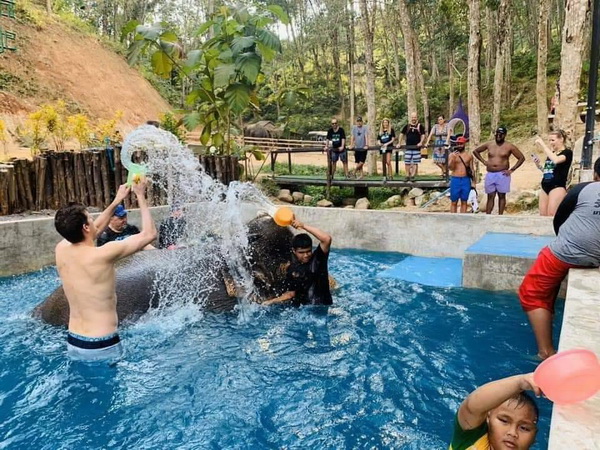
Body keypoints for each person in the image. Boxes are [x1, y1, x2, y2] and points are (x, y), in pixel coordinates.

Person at [54, 179, 157, 361]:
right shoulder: (103, 254)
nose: (95, 222)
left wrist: (117, 200)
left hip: (73, 341)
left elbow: (94, 230)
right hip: (101, 344)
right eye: (91, 218)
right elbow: (149, 235)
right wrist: (140, 195)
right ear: (86, 227)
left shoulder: (61, 249)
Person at [519, 157, 600, 359]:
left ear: (596, 176)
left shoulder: (584, 189)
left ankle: (545, 352)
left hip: (569, 251)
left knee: (532, 293)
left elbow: (559, 220)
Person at [449, 373, 540, 450]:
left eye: (524, 428)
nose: (512, 433)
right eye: (504, 421)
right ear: (488, 418)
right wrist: (521, 382)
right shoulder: (470, 440)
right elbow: (471, 408)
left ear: (534, 437)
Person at [262, 219, 332, 307]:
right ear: (294, 251)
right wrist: (271, 301)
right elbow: (291, 294)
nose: (306, 255)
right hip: (305, 308)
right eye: (301, 252)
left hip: (322, 305)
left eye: (308, 251)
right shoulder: (292, 269)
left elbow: (326, 239)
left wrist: (303, 226)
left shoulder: (318, 260)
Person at [473, 127, 525, 215]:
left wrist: (512, 170)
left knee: (502, 196)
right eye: (497, 134)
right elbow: (476, 151)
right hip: (490, 174)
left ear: (504, 135)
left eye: (501, 134)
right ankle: (488, 216)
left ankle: (500, 216)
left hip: (502, 174)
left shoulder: (509, 146)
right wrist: (484, 161)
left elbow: (521, 158)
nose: (498, 136)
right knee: (490, 196)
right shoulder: (489, 144)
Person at [531, 130, 573, 217]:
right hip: (545, 184)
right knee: (543, 215)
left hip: (557, 186)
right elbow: (548, 170)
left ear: (561, 139)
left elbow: (556, 160)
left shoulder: (567, 153)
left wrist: (543, 145)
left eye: (553, 140)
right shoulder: (552, 153)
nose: (551, 143)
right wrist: (538, 165)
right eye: (549, 140)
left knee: (552, 214)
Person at [448, 136, 474, 213]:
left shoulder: (469, 155)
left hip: (465, 179)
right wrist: (453, 158)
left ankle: (462, 217)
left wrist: (474, 181)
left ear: (464, 144)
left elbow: (472, 169)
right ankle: (453, 218)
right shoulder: (452, 155)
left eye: (461, 144)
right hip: (455, 179)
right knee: (454, 201)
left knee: (464, 201)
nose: (459, 145)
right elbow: (450, 168)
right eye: (458, 143)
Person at [400, 112, 426, 182]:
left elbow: (423, 135)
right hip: (408, 147)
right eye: (412, 117)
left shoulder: (420, 126)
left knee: (415, 162)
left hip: (416, 147)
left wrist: (421, 142)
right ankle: (407, 175)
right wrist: (399, 142)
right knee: (407, 162)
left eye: (415, 117)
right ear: (410, 118)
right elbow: (401, 134)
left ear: (416, 118)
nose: (413, 119)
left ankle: (412, 176)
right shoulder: (407, 126)